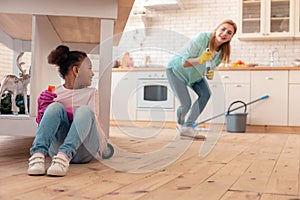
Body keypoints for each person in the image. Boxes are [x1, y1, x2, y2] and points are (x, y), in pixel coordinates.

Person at [28, 45, 107, 177]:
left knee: (85, 111)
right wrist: (42, 109)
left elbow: (94, 121)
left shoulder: (91, 93)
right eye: (89, 68)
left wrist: (103, 145)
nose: (92, 73)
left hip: (83, 151)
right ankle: (37, 155)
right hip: (56, 150)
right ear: (76, 70)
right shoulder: (55, 93)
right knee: (54, 107)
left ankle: (64, 157)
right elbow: (46, 127)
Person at [166, 19, 237, 139]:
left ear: (231, 38)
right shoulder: (202, 38)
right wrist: (201, 59)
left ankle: (188, 127)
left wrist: (208, 72)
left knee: (205, 94)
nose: (225, 33)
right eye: (223, 29)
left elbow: (209, 67)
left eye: (229, 33)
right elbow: (184, 63)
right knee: (186, 104)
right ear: (217, 29)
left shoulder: (222, 53)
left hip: (194, 75)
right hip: (177, 70)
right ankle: (181, 124)